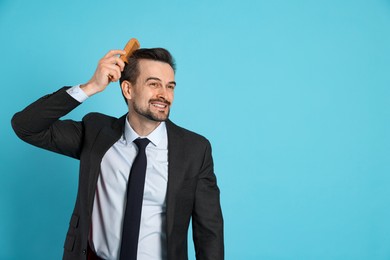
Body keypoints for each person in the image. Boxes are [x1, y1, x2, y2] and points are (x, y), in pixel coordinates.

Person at [11, 47, 224, 260]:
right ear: (128, 90)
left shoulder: (195, 149)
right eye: (154, 84)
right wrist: (90, 87)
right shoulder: (96, 133)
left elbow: (209, 232)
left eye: (170, 86)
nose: (164, 95)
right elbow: (26, 126)